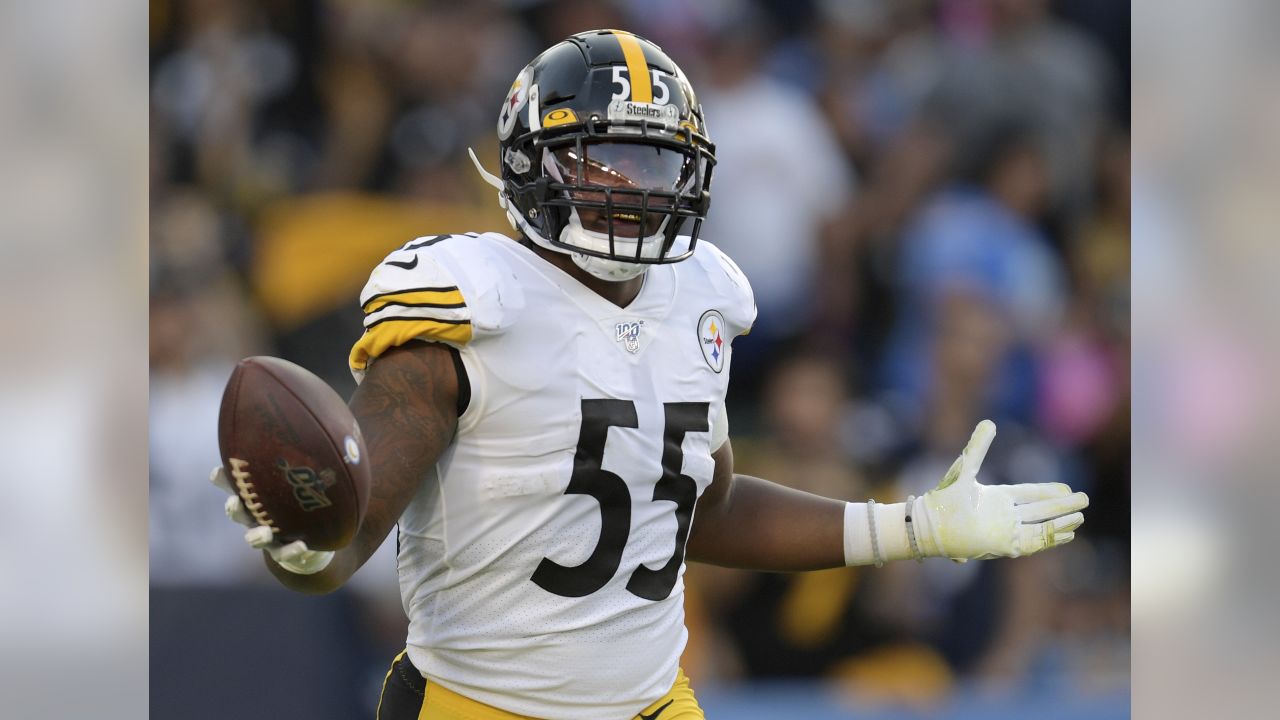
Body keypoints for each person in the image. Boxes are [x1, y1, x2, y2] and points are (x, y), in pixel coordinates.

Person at [210, 30, 1087, 720]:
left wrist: (911, 527)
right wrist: (301, 542)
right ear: (531, 164)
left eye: (654, 163)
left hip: (652, 702)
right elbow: (344, 540)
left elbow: (706, 508)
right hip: (481, 709)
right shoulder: (470, 302)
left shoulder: (703, 296)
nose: (633, 189)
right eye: (605, 162)